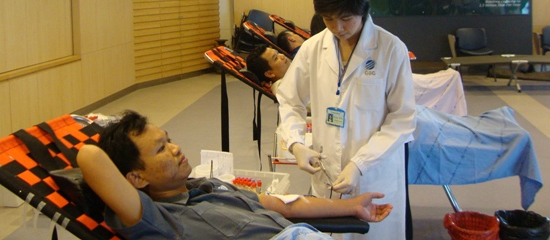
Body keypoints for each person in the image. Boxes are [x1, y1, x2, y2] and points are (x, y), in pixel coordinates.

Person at [77, 110, 392, 240]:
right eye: (161, 149)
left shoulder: (207, 185)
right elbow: (88, 156)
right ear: (136, 179)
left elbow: (285, 204)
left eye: (168, 139)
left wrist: (351, 206)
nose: (175, 148)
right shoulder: (156, 217)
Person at [276, 0, 416, 240]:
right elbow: (289, 100)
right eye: (328, 18)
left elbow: (402, 118)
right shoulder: (313, 48)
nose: (337, 27)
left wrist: (360, 164)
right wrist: (296, 144)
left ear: (362, 10)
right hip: (328, 173)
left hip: (373, 174)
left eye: (345, 18)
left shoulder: (391, 49)